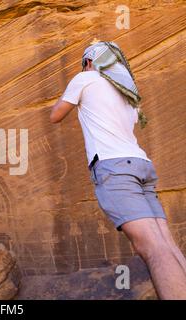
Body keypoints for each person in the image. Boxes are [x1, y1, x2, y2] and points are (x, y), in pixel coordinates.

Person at [50, 40, 186, 299]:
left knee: (153, 249)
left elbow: (56, 115)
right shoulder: (127, 93)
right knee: (167, 245)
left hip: (115, 169)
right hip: (141, 166)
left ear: (90, 62)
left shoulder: (86, 78)